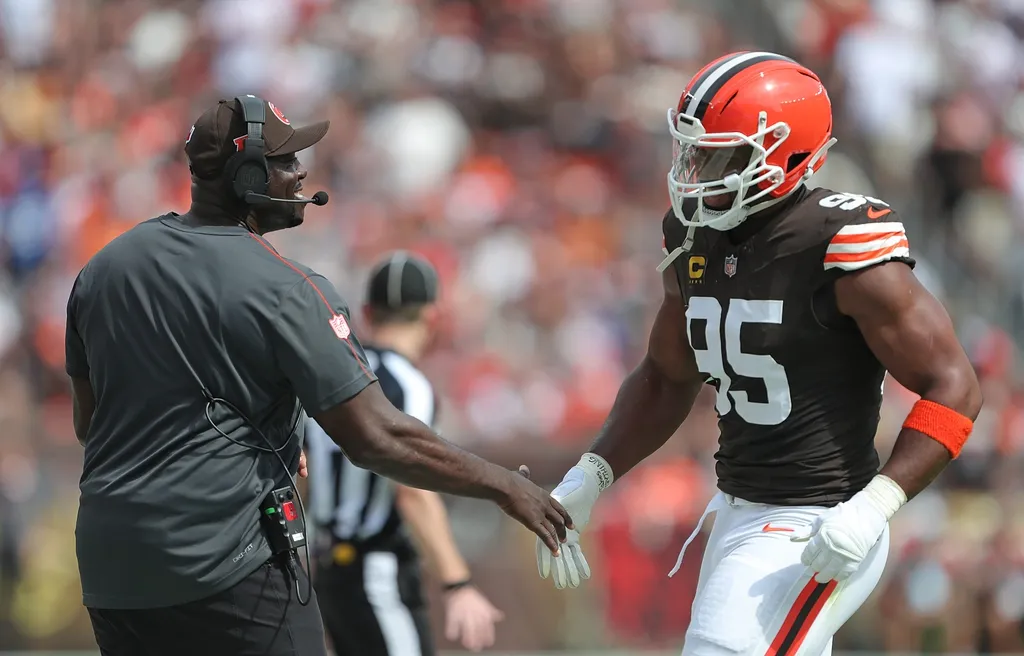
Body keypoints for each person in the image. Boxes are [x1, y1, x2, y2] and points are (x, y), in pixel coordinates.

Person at [65, 95, 570, 656]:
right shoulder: (287, 287)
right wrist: (505, 487)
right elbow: (377, 439)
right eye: (285, 161)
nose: (300, 171)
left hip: (112, 571)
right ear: (248, 174)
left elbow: (91, 423)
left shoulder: (101, 270)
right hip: (221, 569)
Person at [533, 51, 983, 656]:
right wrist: (588, 478)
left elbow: (955, 385)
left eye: (722, 154)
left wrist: (876, 504)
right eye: (695, 150)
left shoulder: (840, 244)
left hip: (817, 524)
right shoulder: (692, 234)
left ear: (786, 153)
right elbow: (668, 376)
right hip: (736, 510)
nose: (699, 168)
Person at [307, 251, 503, 655]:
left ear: (367, 311)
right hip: (375, 569)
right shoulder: (407, 385)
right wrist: (457, 581)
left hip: (326, 568)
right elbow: (411, 489)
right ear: (431, 316)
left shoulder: (331, 375)